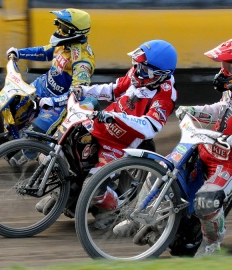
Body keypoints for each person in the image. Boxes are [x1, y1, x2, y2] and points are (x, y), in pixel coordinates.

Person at [113, 37, 232, 257]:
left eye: (229, 66)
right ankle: (136, 217)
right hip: (204, 145)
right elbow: (221, 109)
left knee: (205, 201)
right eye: (223, 65)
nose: (223, 70)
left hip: (231, 162)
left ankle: (212, 243)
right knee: (159, 169)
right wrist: (193, 111)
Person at [35, 40, 179, 225]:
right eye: (137, 64)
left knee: (93, 186)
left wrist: (117, 118)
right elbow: (113, 90)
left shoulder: (165, 96)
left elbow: (150, 127)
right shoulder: (137, 72)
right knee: (63, 151)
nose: (137, 70)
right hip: (101, 124)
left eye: (143, 68)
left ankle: (117, 210)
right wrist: (84, 91)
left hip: (121, 142)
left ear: (160, 75)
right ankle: (64, 195)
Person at [6, 8, 95, 166]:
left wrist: (53, 102)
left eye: (63, 27)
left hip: (58, 103)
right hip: (41, 86)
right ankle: (16, 138)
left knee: (34, 134)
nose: (58, 30)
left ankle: (31, 152)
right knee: (13, 104)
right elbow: (44, 52)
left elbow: (77, 95)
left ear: (75, 32)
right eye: (58, 24)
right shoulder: (64, 44)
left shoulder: (83, 61)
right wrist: (19, 53)